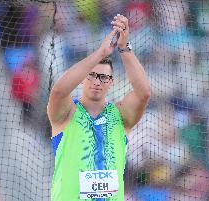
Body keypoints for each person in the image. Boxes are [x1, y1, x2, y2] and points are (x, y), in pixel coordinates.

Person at [47, 14, 151, 201]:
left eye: (104, 77)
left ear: (111, 82)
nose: (97, 82)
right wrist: (101, 53)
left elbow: (143, 93)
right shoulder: (67, 113)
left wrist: (124, 48)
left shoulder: (120, 114)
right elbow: (58, 92)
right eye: (92, 75)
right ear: (83, 78)